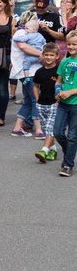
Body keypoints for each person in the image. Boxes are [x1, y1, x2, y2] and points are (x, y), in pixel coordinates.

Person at [11, 12, 46, 137]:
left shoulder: (29, 33)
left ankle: (17, 128)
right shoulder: (22, 33)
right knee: (36, 100)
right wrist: (43, 55)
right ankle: (38, 130)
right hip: (29, 73)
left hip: (31, 72)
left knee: (28, 101)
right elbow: (24, 47)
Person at [33, 42, 61, 163]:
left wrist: (59, 100)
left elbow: (62, 85)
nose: (49, 57)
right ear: (43, 55)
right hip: (41, 104)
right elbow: (35, 86)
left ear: (57, 56)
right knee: (45, 128)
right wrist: (37, 99)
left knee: (51, 128)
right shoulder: (39, 71)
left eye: (51, 55)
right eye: (46, 55)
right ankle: (53, 149)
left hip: (54, 104)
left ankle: (44, 150)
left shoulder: (59, 71)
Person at [54, 32, 77, 175]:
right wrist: (58, 91)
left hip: (76, 104)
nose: (71, 46)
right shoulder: (64, 62)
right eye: (69, 44)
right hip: (63, 103)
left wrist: (70, 92)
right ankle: (70, 150)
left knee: (73, 135)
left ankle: (68, 164)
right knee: (57, 132)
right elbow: (59, 81)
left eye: (74, 44)